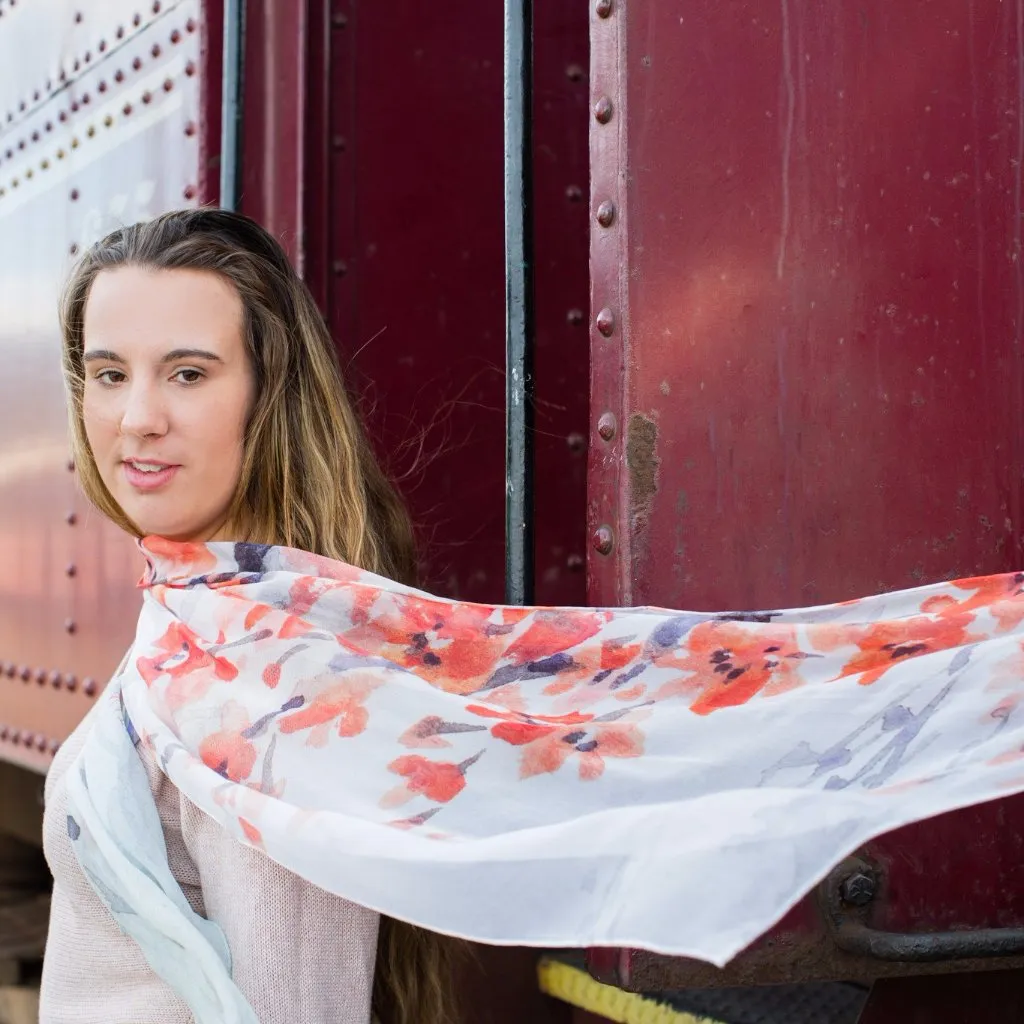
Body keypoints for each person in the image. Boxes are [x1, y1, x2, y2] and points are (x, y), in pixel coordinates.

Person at [41, 208, 456, 1024]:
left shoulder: (270, 676)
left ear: (269, 398)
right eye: (110, 373)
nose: (137, 418)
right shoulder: (201, 619)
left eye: (188, 374)